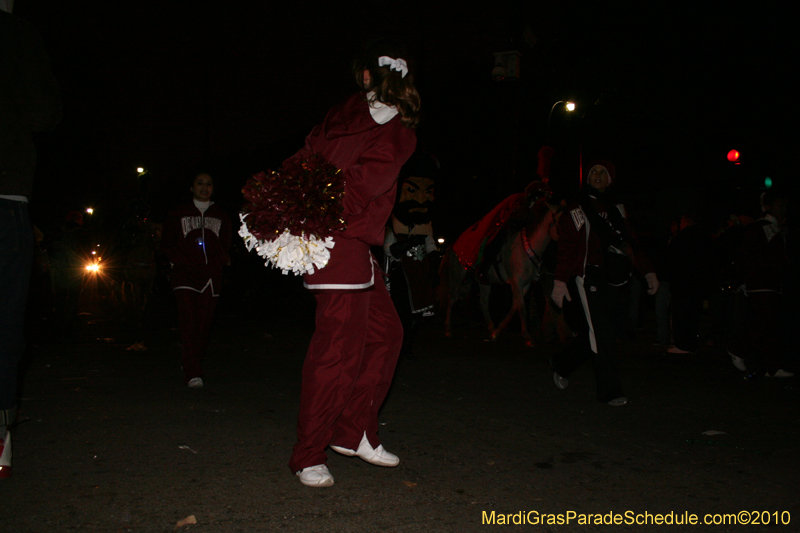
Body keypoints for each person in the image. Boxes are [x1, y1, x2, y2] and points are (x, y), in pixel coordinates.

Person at [285, 39, 419, 487]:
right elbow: (358, 185)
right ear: (373, 78)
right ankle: (309, 453)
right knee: (337, 353)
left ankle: (354, 431)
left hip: (342, 242)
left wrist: (290, 205)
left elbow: (301, 164)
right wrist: (301, 210)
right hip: (341, 243)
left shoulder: (339, 117)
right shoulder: (396, 129)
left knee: (386, 333)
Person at [1, 4, 62, 478]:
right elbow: (44, 111)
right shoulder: (17, 34)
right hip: (6, 193)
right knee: (4, 321)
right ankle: (0, 433)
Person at [549, 161, 658, 406]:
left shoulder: (617, 209)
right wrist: (559, 281)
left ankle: (563, 363)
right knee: (603, 334)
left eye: (603, 172)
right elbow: (567, 247)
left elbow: (632, 243)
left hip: (615, 278)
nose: (598, 175)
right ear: (587, 178)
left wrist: (648, 271)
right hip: (588, 277)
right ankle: (610, 391)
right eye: (593, 172)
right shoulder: (577, 208)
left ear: (610, 179)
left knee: (600, 331)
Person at [160, 172, 232, 389]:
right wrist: (175, 261)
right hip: (185, 275)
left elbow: (226, 243)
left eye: (209, 184)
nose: (204, 187)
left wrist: (221, 261)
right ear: (191, 187)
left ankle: (191, 361)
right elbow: (167, 242)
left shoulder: (221, 215)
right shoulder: (178, 213)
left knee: (203, 325)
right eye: (200, 183)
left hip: (211, 277)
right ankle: (193, 371)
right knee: (188, 322)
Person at [726, 191, 794, 378]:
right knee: (765, 322)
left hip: (772, 284)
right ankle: (738, 349)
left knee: (770, 325)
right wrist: (741, 281)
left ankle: (769, 366)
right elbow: (747, 257)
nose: (783, 210)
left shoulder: (777, 229)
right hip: (761, 283)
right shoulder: (761, 228)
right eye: (779, 206)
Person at [383, 152, 439, 357]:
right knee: (401, 312)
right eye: (413, 190)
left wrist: (434, 266)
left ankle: (407, 344)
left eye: (427, 191)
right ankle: (396, 344)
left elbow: (431, 245)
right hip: (400, 274)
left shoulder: (426, 222)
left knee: (419, 313)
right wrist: (408, 243)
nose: (421, 199)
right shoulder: (392, 221)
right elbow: (389, 249)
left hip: (420, 273)